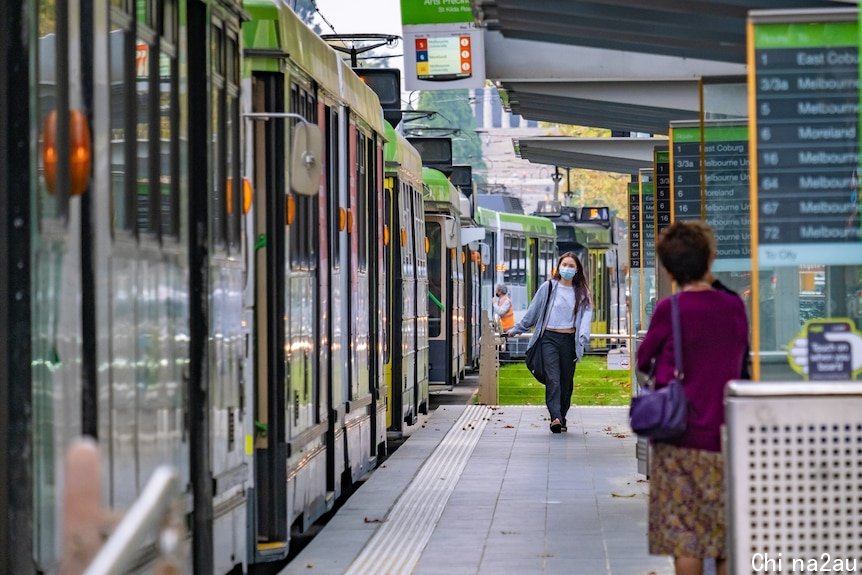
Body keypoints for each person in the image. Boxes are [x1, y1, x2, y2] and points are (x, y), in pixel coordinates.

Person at [636, 221, 748, 575]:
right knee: (725, 535)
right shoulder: (733, 307)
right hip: (727, 437)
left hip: (679, 439)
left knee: (688, 537)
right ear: (710, 260)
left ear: (668, 269)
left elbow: (643, 362)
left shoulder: (670, 310)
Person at [507, 252, 592, 433]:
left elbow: (586, 316)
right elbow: (534, 311)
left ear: (577, 270)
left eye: (571, 266)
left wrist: (583, 336)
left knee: (566, 381)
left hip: (569, 340)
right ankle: (555, 417)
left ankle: (562, 414)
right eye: (564, 265)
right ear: (558, 267)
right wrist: (517, 329)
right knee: (553, 378)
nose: (567, 269)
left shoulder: (582, 292)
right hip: (549, 339)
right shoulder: (549, 287)